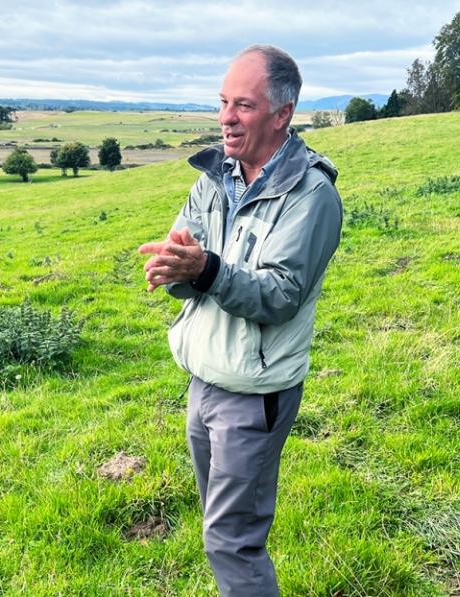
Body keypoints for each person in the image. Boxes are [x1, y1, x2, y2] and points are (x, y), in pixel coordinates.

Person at [138, 45, 343, 596]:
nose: (226, 117)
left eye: (244, 105)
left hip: (253, 392)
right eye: (224, 102)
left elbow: (280, 295)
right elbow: (189, 268)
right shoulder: (212, 178)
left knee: (232, 541)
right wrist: (175, 269)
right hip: (204, 377)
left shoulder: (310, 194)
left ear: (282, 114)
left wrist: (203, 270)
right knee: (220, 525)